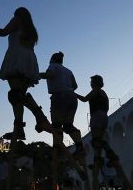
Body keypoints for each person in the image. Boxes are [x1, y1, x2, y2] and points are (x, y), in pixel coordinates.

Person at [0, 7, 53, 138]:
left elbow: (3, 32)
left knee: (15, 95)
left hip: (17, 57)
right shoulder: (31, 30)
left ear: (18, 14)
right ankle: (33, 122)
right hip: (30, 60)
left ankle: (27, 124)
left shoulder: (17, 20)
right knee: (19, 95)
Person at [76, 75, 133, 190]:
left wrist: (72, 93)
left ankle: (97, 168)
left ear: (95, 83)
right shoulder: (104, 94)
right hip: (104, 117)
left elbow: (84, 99)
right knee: (99, 142)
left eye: (91, 82)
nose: (90, 84)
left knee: (96, 142)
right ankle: (100, 161)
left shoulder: (95, 91)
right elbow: (106, 108)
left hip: (96, 116)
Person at [40, 52, 89, 181]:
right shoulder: (68, 70)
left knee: (56, 125)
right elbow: (76, 86)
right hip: (72, 98)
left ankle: (58, 149)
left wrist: (37, 75)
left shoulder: (53, 66)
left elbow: (50, 74)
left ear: (52, 60)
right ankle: (79, 146)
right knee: (68, 125)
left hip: (59, 96)